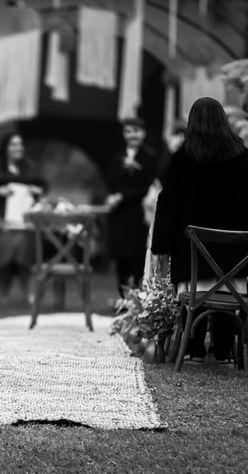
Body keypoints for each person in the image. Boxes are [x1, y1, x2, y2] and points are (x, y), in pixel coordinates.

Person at [151, 96, 248, 363]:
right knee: (226, 269)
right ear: (223, 121)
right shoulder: (242, 156)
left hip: (192, 262)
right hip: (236, 264)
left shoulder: (182, 158)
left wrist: (161, 248)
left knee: (193, 266)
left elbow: (167, 203)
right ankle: (224, 349)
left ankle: (193, 346)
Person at [0, 132, 48, 304]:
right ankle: (3, 295)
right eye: (13, 144)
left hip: (24, 219)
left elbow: (43, 185)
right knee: (2, 258)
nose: (18, 148)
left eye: (20, 144)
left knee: (25, 256)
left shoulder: (29, 166)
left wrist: (37, 190)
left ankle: (27, 293)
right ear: (5, 147)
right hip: (1, 219)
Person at [105, 117, 158, 297]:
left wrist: (125, 193)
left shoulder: (149, 157)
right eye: (128, 131)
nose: (132, 135)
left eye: (136, 131)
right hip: (119, 215)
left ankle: (137, 299)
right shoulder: (116, 157)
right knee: (121, 259)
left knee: (137, 257)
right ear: (123, 134)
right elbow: (111, 183)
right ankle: (122, 298)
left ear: (143, 133)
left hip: (138, 214)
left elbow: (149, 186)